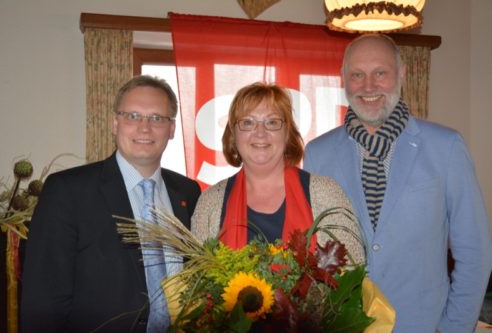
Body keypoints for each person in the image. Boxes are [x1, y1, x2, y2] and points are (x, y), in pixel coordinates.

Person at [304, 33, 492, 333]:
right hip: (345, 325)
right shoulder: (317, 153)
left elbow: (475, 252)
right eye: (357, 75)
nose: (368, 86)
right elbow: (313, 254)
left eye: (380, 73)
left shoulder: (447, 147)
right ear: (343, 80)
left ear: (402, 74)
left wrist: (454, 327)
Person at [21, 75, 201, 333]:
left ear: (171, 129)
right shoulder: (67, 191)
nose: (145, 128)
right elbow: (43, 299)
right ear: (115, 124)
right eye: (133, 116)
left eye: (157, 118)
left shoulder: (188, 192)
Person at [191, 82, 365, 266]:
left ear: (287, 133)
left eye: (272, 122)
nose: (260, 133)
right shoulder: (210, 204)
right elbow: (198, 284)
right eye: (248, 122)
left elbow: (352, 273)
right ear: (233, 134)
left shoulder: (326, 192)